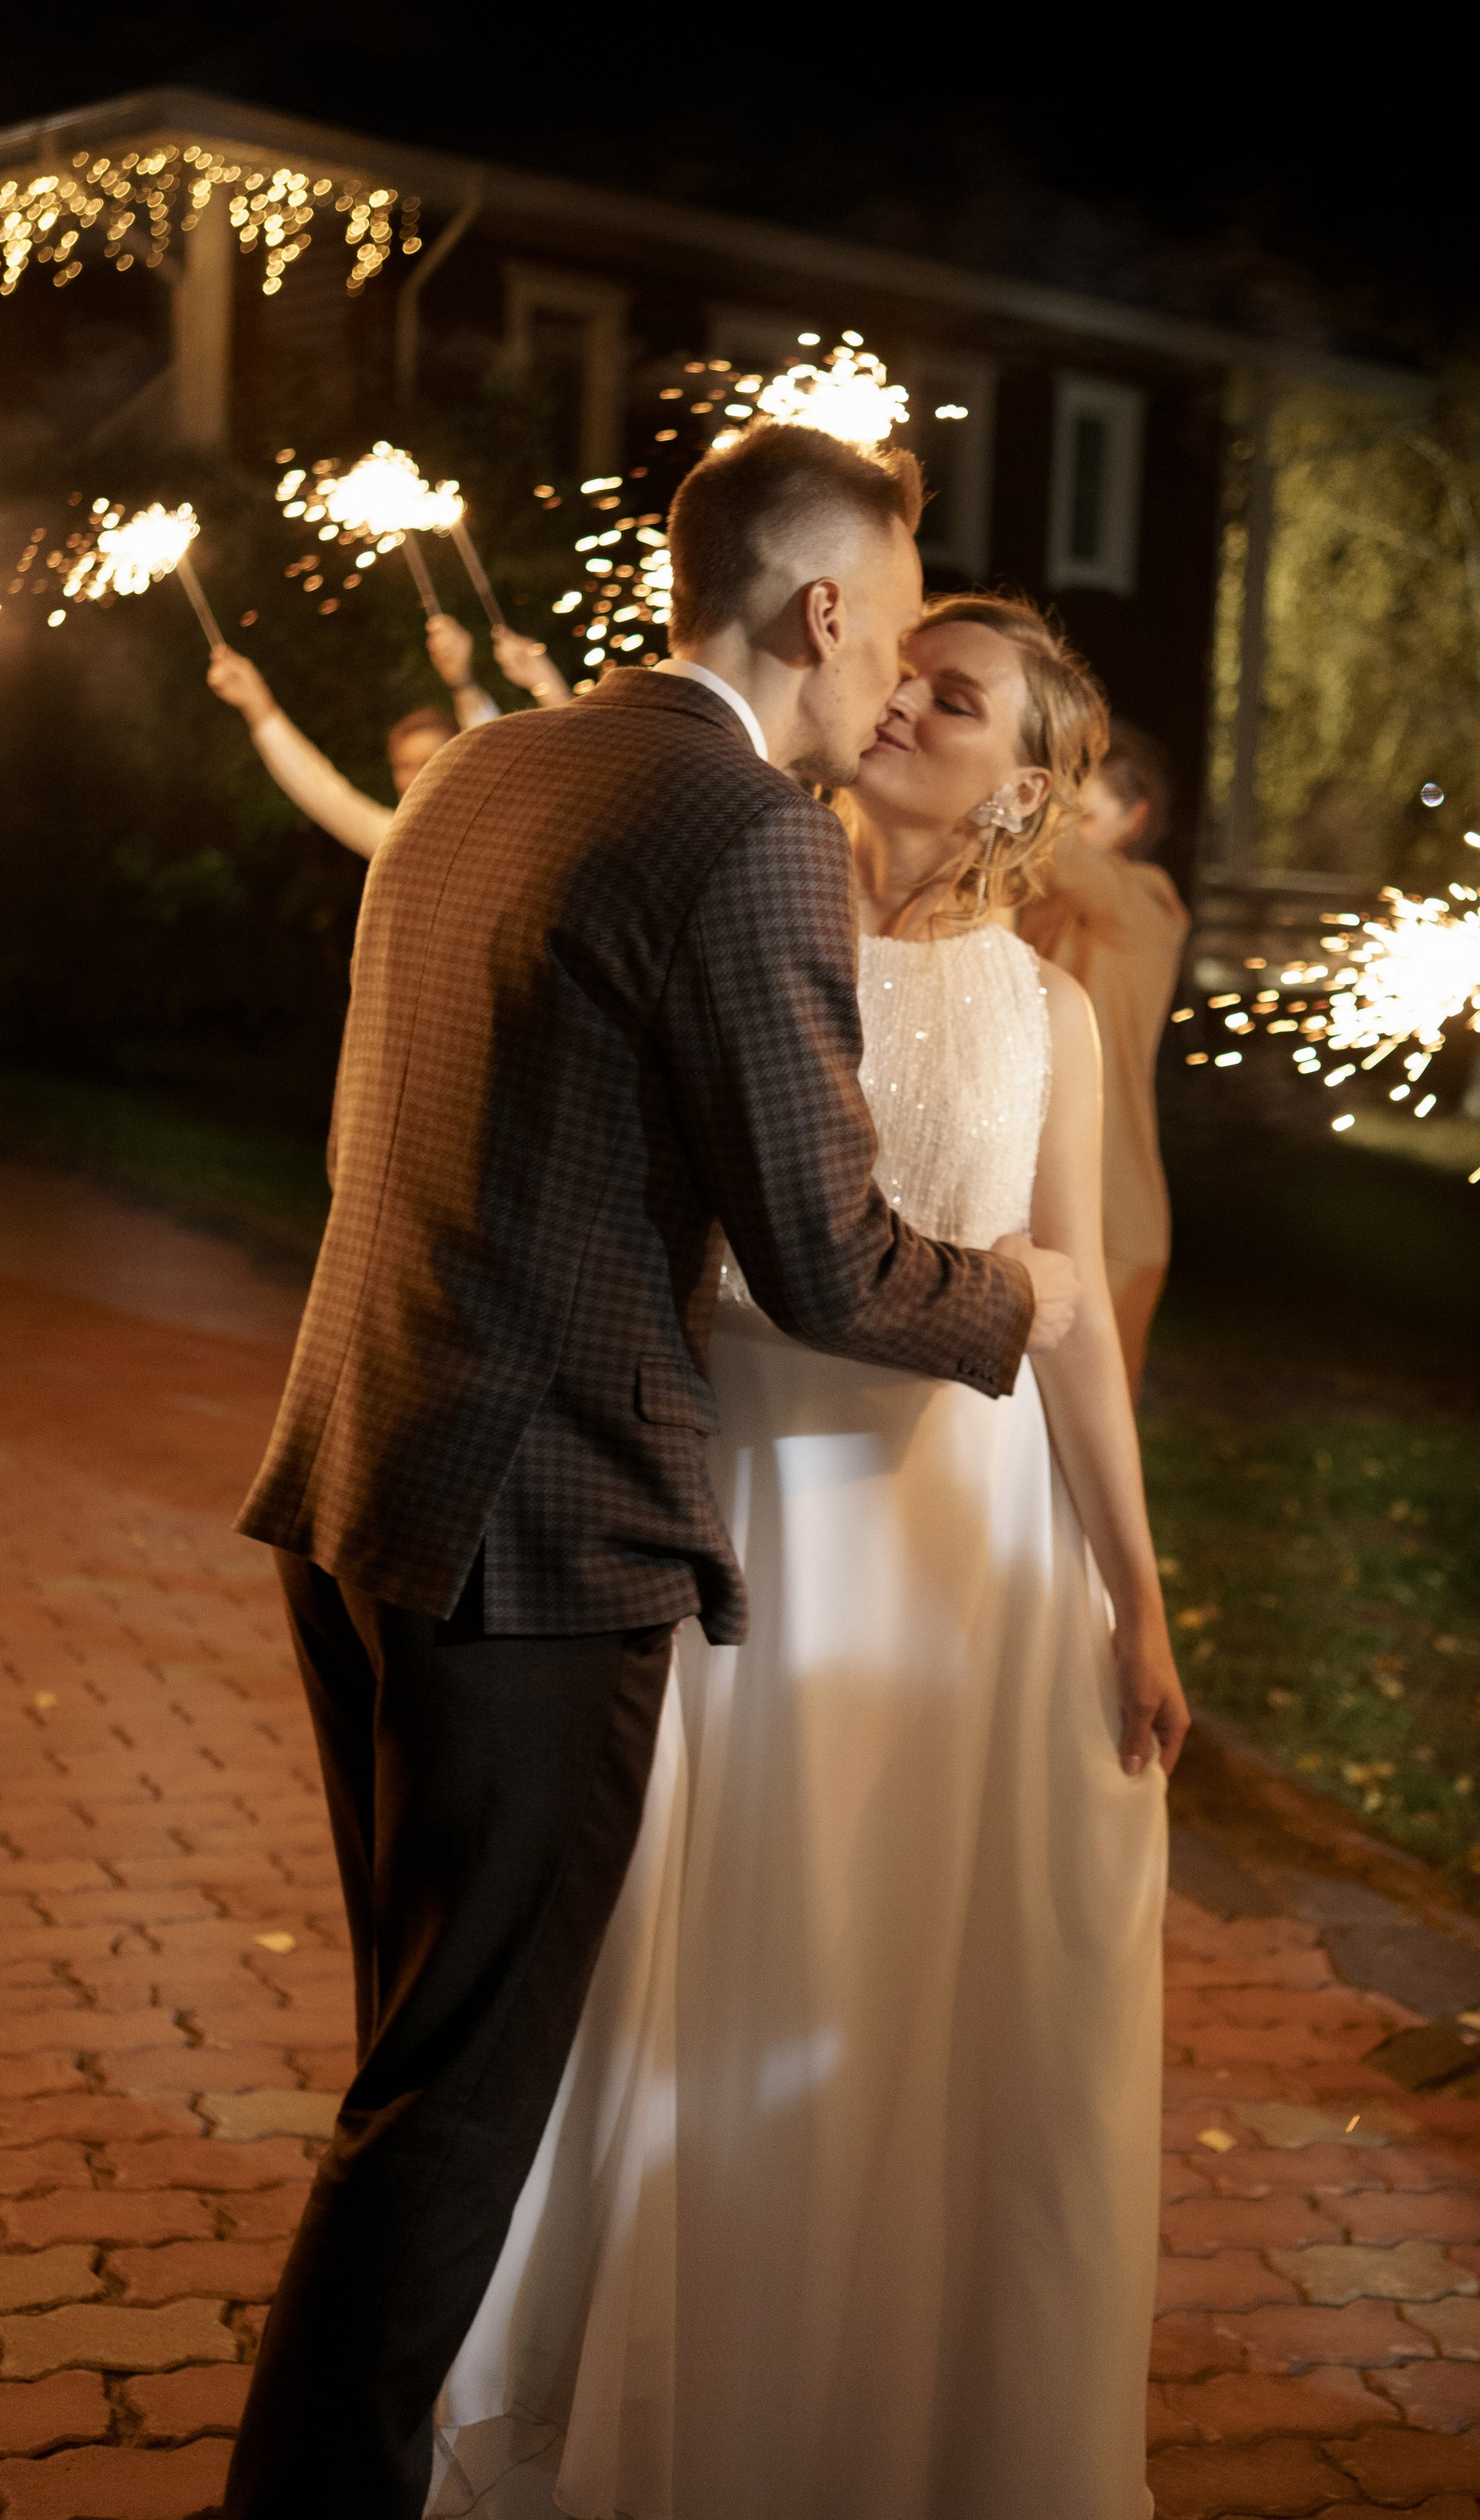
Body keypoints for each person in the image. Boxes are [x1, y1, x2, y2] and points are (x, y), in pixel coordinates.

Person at [220, 420, 1081, 2520]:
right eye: (890, 612)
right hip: (536, 1535)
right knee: (455, 2106)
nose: (894, 668)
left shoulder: (490, 765)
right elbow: (832, 1256)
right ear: (817, 608)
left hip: (359, 1473)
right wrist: (1025, 1303)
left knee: (417, 2058)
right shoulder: (747, 833)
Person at [430, 590, 1184, 2520]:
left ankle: (882, 2437)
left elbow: (1074, 1311)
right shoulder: (751, 915)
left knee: (907, 1976)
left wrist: (1136, 1597)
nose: (909, 701)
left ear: (1032, 783)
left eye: (963, 699)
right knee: (706, 1951)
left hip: (973, 1552)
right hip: (743, 1496)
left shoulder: (1044, 1007)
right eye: (907, 669)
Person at [1022, 714, 1189, 1394]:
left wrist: (1019, 779)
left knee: (1091, 1417)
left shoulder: (1149, 903)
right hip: (1025, 1194)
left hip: (1109, 1206)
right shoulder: (1029, 902)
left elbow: (1078, 868)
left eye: (1083, 816)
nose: (1062, 829)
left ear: (1133, 821)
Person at [204, 612, 503, 857]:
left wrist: (462, 681)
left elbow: (493, 754)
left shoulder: (499, 824)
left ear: (461, 768)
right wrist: (256, 703)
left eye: (429, 762)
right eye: (405, 766)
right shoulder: (399, 845)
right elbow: (324, 793)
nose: (415, 778)